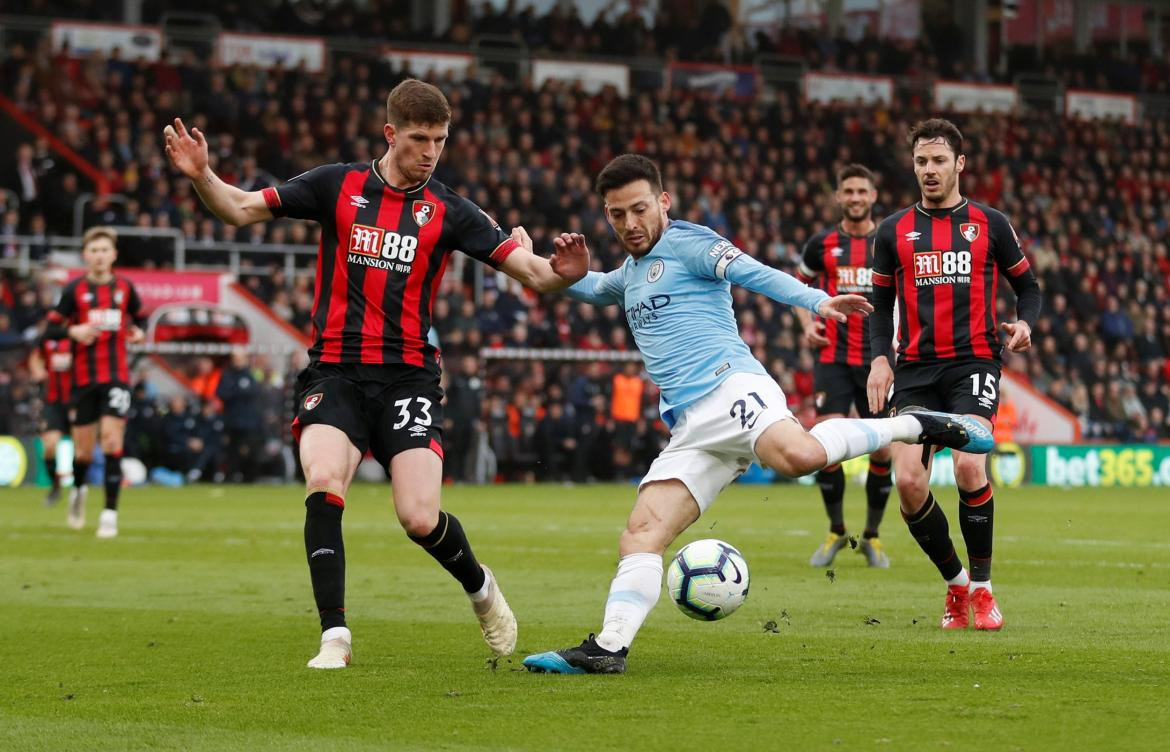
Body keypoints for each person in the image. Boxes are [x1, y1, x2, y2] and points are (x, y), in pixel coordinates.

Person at [163, 78, 589, 669]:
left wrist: (564, 272)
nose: (431, 152)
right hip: (334, 371)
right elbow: (238, 209)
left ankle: (482, 589)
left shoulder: (450, 210)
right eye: (420, 139)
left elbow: (536, 275)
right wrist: (201, 176)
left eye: (440, 140)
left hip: (408, 378)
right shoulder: (336, 185)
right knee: (323, 478)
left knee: (418, 517)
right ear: (391, 133)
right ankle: (334, 636)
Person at [521, 154, 994, 675]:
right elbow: (596, 288)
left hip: (731, 386)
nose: (629, 224)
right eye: (616, 215)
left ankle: (917, 424)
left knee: (798, 457)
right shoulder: (632, 272)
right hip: (689, 428)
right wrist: (570, 276)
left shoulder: (690, 242)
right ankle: (609, 648)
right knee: (641, 533)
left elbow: (752, 271)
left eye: (638, 209)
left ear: (662, 201)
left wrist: (817, 301)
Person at [866, 119, 1041, 631]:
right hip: (916, 371)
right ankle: (957, 586)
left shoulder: (990, 223)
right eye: (921, 161)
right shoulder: (892, 231)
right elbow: (880, 308)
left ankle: (984, 593)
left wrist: (1026, 322)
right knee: (909, 483)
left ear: (960, 164)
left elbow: (1028, 287)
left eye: (939, 160)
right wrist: (881, 358)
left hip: (974, 364)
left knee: (969, 467)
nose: (929, 170)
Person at [795, 163, 893, 568]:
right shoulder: (822, 244)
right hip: (833, 358)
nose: (855, 198)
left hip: (877, 360)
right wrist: (807, 325)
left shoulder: (887, 240)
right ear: (838, 196)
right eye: (848, 191)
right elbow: (797, 283)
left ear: (873, 196)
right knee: (828, 447)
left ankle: (872, 536)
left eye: (862, 191)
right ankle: (836, 531)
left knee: (883, 450)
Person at [43, 226, 147, 538]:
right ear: (86, 256)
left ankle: (109, 514)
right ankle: (78, 492)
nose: (100, 256)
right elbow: (50, 329)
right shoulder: (74, 291)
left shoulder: (126, 288)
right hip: (83, 380)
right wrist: (73, 331)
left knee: (112, 441)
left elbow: (140, 317)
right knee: (84, 453)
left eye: (105, 250)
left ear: (113, 255)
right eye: (94, 251)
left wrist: (138, 332)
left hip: (116, 377)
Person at [27, 335, 73, 506]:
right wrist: (37, 369)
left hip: (80, 400)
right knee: (49, 446)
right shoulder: (48, 339)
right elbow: (36, 356)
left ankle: (79, 486)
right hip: (55, 402)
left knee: (84, 450)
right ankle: (55, 486)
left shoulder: (82, 338)